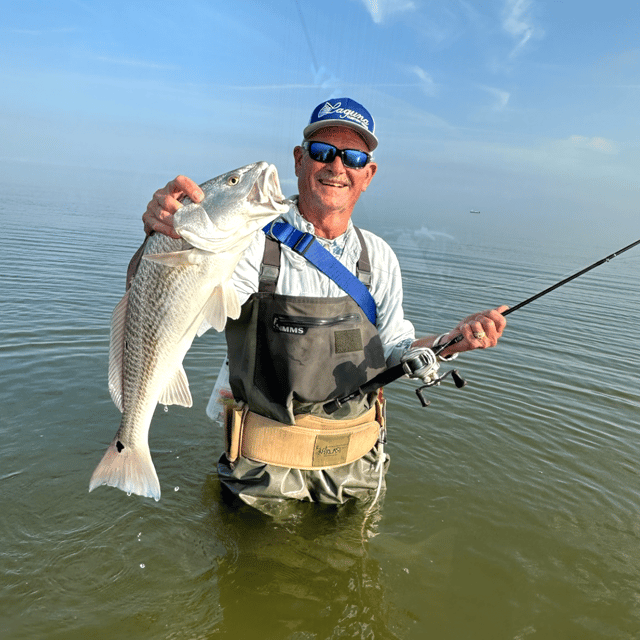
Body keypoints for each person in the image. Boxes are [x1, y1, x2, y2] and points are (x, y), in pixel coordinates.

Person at [139, 98, 507, 508]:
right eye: (322, 152)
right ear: (299, 160)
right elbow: (162, 303)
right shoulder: (247, 244)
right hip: (262, 475)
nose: (336, 166)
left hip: (357, 469)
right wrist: (162, 237)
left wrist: (452, 341)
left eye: (353, 157)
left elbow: (395, 349)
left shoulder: (379, 256)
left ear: (368, 174)